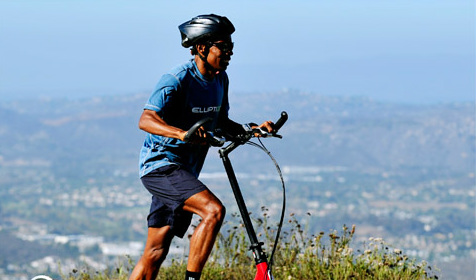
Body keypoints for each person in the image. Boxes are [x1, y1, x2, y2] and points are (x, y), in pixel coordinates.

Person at [129, 14, 275, 280]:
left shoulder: (221, 79)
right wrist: (183, 134)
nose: (230, 52)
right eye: (223, 46)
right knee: (213, 210)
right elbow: (146, 119)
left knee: (154, 252)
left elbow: (221, 123)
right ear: (201, 47)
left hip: (184, 172)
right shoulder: (176, 79)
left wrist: (252, 130)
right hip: (161, 167)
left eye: (232, 46)